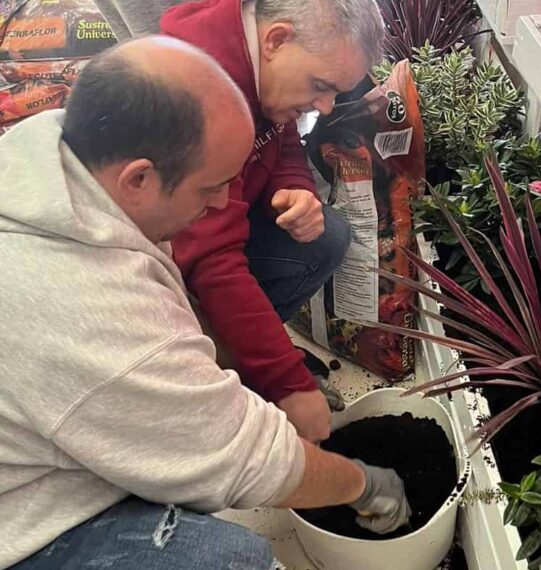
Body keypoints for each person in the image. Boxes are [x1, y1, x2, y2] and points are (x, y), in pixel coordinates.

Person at [0, 36, 409, 570]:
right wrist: (363, 483)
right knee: (231, 560)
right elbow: (246, 462)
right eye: (211, 187)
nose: (224, 201)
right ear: (140, 179)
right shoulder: (89, 308)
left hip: (38, 427)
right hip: (20, 518)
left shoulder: (53, 154)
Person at [153, 0, 383, 445]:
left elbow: (281, 135)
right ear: (276, 39)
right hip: (161, 275)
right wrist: (287, 383)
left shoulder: (258, 62)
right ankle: (214, 369)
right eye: (320, 86)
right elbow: (214, 262)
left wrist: (295, 184)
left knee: (327, 235)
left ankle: (242, 352)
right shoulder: (196, 98)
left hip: (207, 240)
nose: (328, 107)